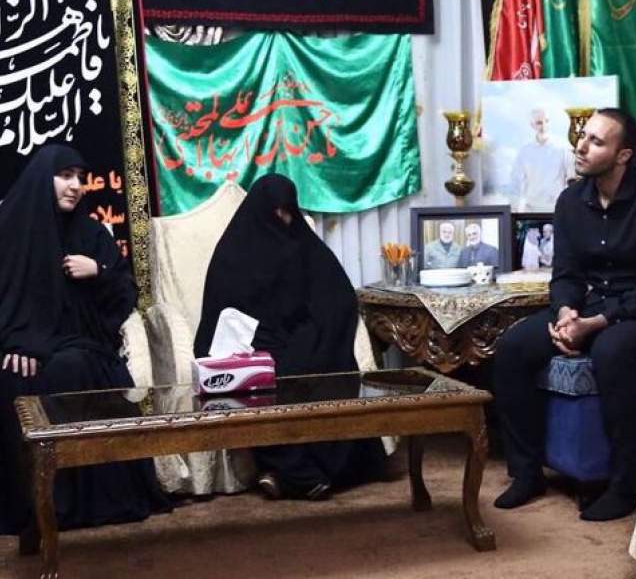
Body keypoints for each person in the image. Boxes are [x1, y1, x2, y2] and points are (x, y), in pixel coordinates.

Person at [492, 108, 636, 522]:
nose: (580, 146)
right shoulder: (570, 201)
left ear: (623, 155)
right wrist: (566, 312)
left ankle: (625, 485)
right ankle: (526, 473)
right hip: (592, 309)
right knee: (512, 346)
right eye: (583, 136)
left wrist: (593, 325)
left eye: (597, 141)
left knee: (611, 351)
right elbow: (565, 274)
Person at [0, 145, 170, 536]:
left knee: (68, 371)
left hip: (79, 342)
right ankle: (30, 506)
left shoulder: (91, 233)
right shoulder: (9, 229)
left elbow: (125, 296)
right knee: (11, 379)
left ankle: (74, 504)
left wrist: (101, 270)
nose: (75, 186)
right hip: (18, 345)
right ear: (44, 178)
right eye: (65, 176)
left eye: (80, 177)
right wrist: (16, 341)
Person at [194, 174, 386, 500]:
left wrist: (317, 331)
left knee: (320, 369)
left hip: (298, 337)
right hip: (249, 345)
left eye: (288, 211)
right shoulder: (234, 250)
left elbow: (336, 295)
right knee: (260, 382)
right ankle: (302, 474)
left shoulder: (302, 244)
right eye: (276, 212)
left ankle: (287, 475)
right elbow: (220, 312)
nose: (283, 220)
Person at [510, 108, 573, 212]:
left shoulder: (563, 148)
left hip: (557, 209)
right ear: (532, 125)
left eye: (546, 121)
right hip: (532, 210)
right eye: (539, 123)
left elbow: (571, 178)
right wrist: (514, 209)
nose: (543, 126)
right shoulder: (525, 151)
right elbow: (516, 181)